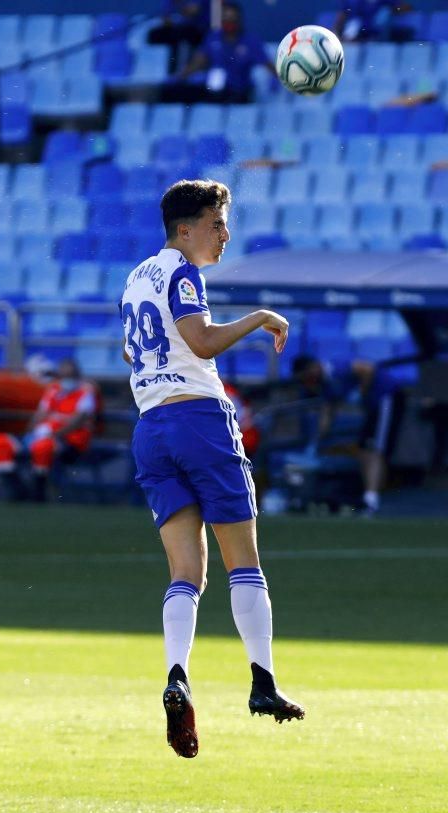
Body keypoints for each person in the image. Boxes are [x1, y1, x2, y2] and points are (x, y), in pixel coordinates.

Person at [121, 178, 304, 760]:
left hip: (150, 429)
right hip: (199, 421)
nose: (225, 234)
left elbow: (132, 350)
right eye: (217, 223)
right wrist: (259, 318)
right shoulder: (182, 273)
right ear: (186, 228)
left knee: (185, 573)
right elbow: (200, 343)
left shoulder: (136, 278)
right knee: (243, 561)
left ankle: (177, 674)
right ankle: (263, 682)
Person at [291, 354, 404, 515]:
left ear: (313, 367)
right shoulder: (326, 386)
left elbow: (367, 369)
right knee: (365, 449)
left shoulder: (334, 368)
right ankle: (369, 498)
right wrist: (317, 440)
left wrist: (361, 392)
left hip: (386, 398)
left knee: (375, 449)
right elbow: (328, 412)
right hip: (373, 407)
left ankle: (372, 499)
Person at [0, 358, 97, 502]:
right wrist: (30, 433)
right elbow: (41, 414)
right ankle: (16, 488)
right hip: (41, 435)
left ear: (77, 376)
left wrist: (52, 434)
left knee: (42, 447)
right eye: (63, 376)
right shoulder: (54, 390)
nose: (66, 380)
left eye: (70, 376)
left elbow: (79, 420)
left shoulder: (85, 392)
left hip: (67, 441)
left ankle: (39, 490)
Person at [166, 2, 274, 104]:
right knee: (182, 93)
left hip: (239, 91)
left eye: (232, 19)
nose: (229, 22)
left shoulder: (251, 41)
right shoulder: (213, 38)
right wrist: (180, 77)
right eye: (225, 18)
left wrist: (277, 79)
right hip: (214, 90)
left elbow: (268, 65)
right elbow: (198, 62)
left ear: (239, 20)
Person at [147, 1, 211, 75]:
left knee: (183, 33)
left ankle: (185, 70)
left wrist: (179, 6)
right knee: (154, 35)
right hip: (183, 28)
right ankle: (171, 72)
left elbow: (193, 11)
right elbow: (166, 19)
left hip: (203, 29)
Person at [334, 1, 415, 42]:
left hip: (379, 36)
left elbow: (407, 8)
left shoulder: (385, 3)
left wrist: (391, 10)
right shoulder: (353, 3)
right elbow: (342, 16)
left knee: (384, 15)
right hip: (358, 33)